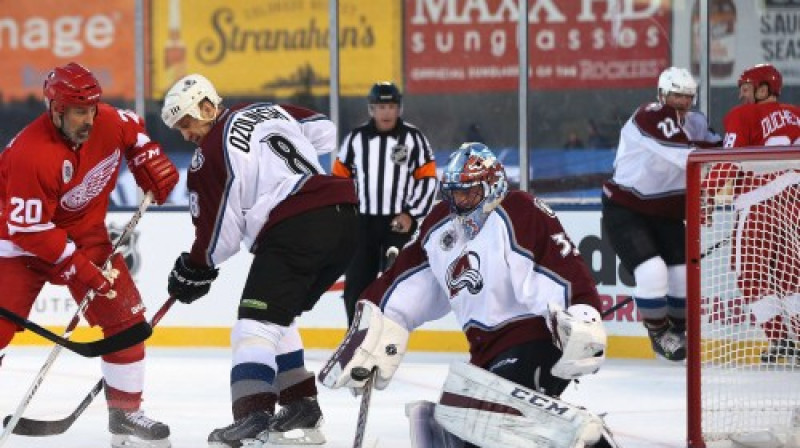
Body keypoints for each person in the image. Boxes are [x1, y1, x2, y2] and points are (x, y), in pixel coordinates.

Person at [319, 143, 617, 448]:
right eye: (455, 194)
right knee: (451, 429)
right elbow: (403, 282)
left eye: (470, 193)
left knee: (483, 422)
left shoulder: (518, 209)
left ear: (493, 185)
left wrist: (581, 312)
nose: (460, 202)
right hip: (484, 352)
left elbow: (558, 264)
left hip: (533, 339)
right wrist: (374, 327)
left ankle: (591, 440)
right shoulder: (440, 225)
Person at [159, 73, 358, 447]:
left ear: (207, 107)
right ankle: (300, 405)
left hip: (298, 225)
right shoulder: (264, 109)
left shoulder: (209, 154)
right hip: (346, 217)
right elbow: (325, 131)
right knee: (276, 318)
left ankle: (253, 416)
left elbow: (219, 237)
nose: (185, 135)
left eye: (186, 122)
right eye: (179, 128)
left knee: (253, 327)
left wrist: (194, 267)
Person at [0, 62, 178, 447]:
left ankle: (125, 415)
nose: (90, 119)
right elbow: (29, 229)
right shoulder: (31, 155)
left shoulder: (108, 120)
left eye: (93, 108)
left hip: (86, 235)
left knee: (125, 320)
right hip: (18, 243)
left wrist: (146, 155)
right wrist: (78, 267)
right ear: (56, 110)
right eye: (80, 112)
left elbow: (134, 130)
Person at [601, 67, 721, 362]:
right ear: (661, 94)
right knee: (651, 271)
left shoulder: (696, 122)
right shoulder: (651, 114)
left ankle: (678, 333)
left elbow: (716, 150)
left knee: (681, 275)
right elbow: (686, 155)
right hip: (626, 208)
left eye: (687, 96)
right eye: (675, 95)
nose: (681, 101)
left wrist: (706, 190)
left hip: (665, 211)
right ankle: (659, 335)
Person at [712, 63, 800, 363]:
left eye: (747, 88)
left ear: (764, 89)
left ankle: (779, 339)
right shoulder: (797, 115)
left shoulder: (743, 115)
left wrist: (705, 195)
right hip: (796, 202)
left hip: (759, 201)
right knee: (792, 277)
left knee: (750, 273)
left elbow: (729, 159)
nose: (742, 95)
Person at [333, 81, 438, 325]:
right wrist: (345, 215)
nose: (386, 112)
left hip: (398, 223)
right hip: (362, 223)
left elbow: (428, 179)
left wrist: (411, 214)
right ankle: (357, 334)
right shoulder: (356, 139)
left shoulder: (414, 138)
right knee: (357, 283)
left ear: (399, 108)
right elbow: (339, 180)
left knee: (398, 283)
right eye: (381, 107)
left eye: (391, 106)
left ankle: (391, 333)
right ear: (371, 109)